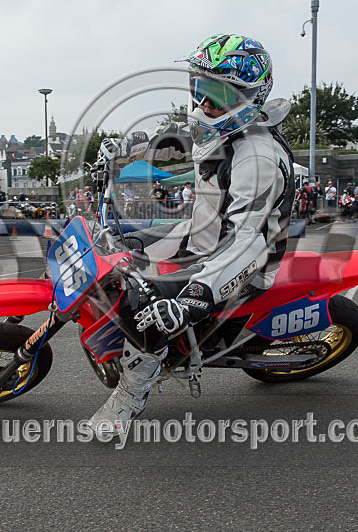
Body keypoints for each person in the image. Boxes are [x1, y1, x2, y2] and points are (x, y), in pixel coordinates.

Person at [89, 33, 294, 435]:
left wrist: (193, 297)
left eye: (213, 93)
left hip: (238, 261)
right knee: (118, 244)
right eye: (198, 88)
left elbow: (247, 242)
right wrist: (123, 149)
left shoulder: (258, 158)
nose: (201, 103)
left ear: (246, 96)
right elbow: (174, 139)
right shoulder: (223, 127)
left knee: (141, 308)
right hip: (201, 234)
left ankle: (132, 392)